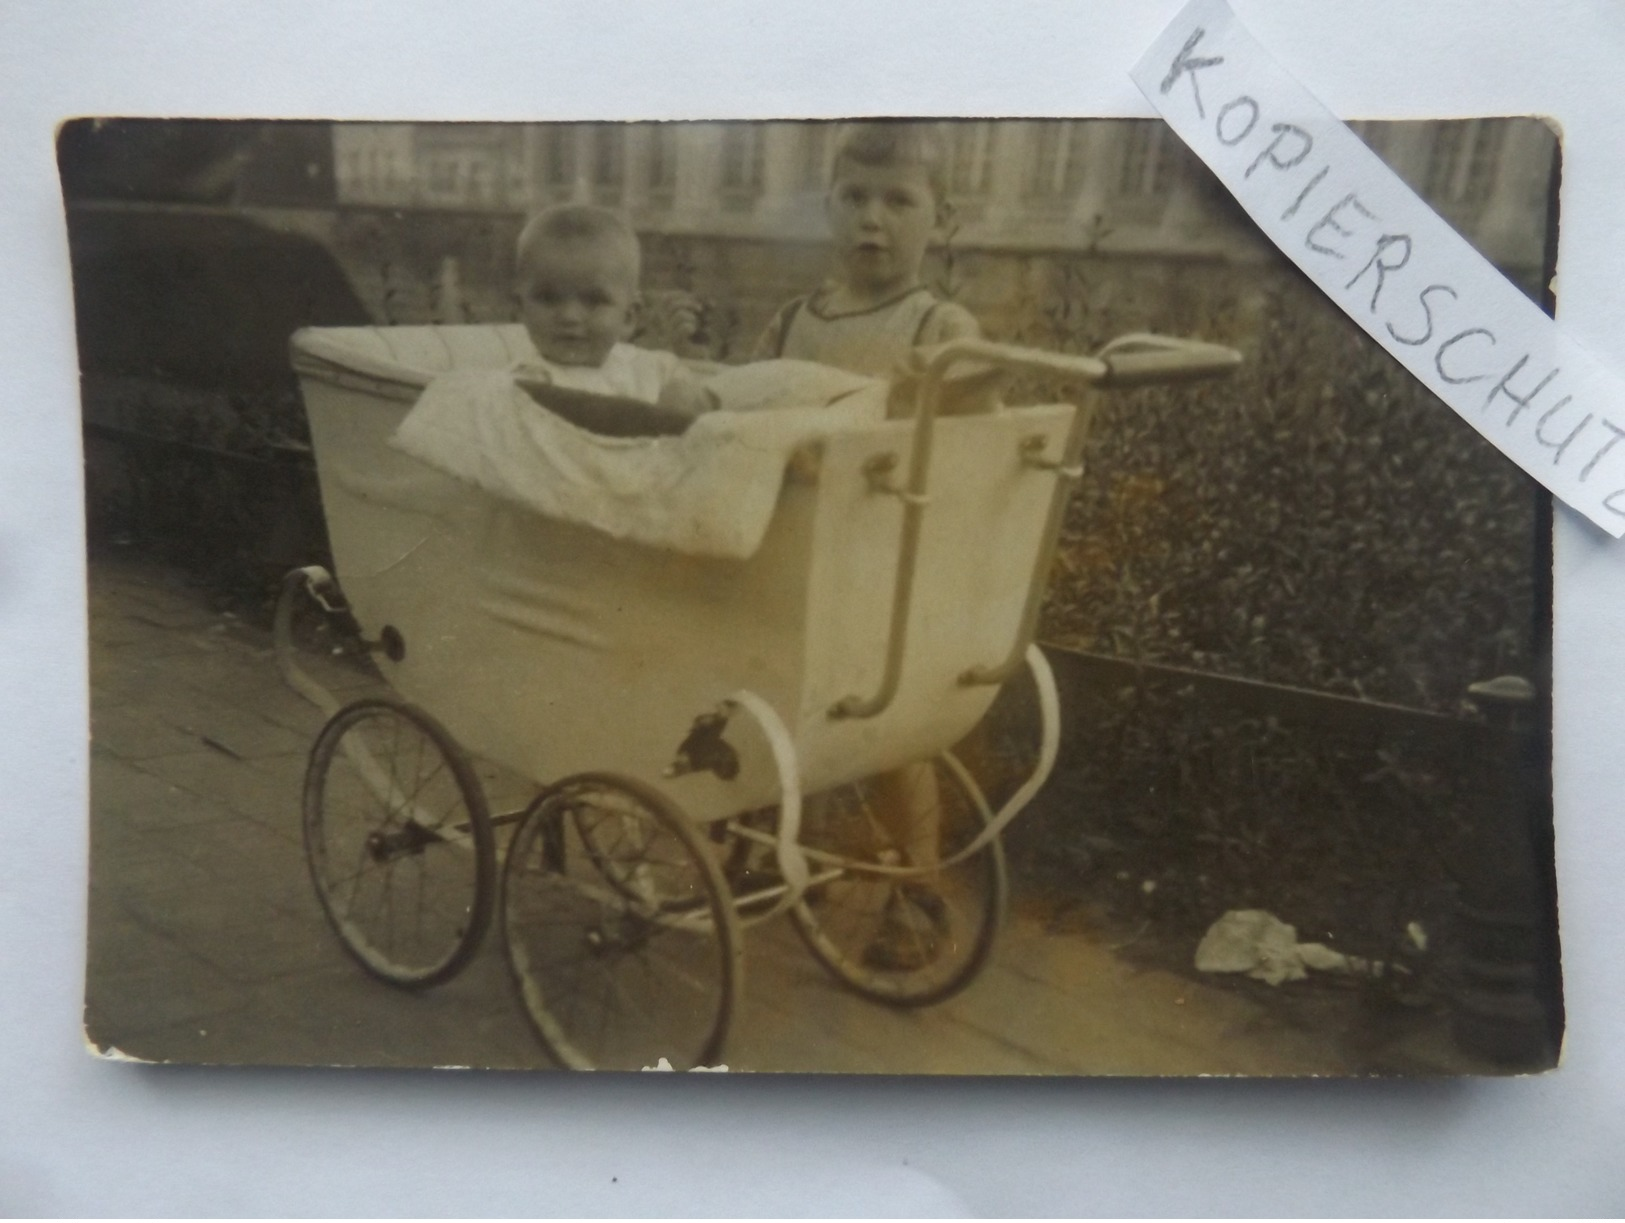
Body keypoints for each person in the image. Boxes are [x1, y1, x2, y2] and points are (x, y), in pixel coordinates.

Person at [755, 122, 981, 972]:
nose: (872, 221)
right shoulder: (790, 322)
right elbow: (747, 412)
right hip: (791, 553)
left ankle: (915, 892)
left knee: (892, 736)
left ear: (939, 217)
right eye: (854, 198)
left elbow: (977, 412)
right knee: (776, 709)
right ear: (829, 208)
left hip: (885, 568)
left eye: (898, 201)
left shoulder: (938, 323)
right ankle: (789, 858)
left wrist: (955, 382)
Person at [512, 204, 715, 436]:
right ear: (521, 309)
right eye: (548, 298)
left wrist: (687, 376)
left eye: (593, 301)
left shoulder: (652, 368)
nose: (569, 316)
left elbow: (703, 397)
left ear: (629, 317)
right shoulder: (529, 380)